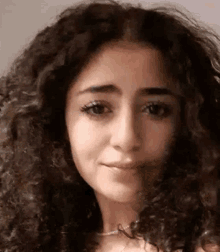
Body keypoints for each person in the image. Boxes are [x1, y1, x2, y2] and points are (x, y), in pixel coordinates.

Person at [0, 0, 219, 251]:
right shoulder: (31, 242)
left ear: (187, 122)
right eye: (97, 108)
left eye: (155, 109)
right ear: (57, 121)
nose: (127, 138)